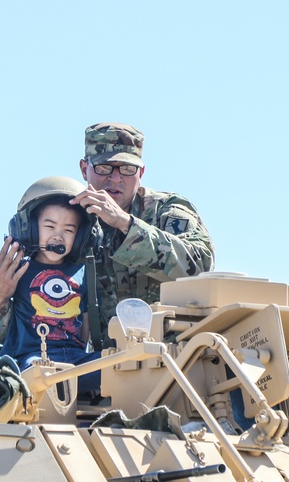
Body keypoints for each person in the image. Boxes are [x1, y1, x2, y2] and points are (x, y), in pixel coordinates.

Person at [72, 122, 215, 338]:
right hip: (106, 363)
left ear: (142, 172)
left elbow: (201, 266)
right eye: (104, 167)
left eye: (128, 169)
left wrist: (126, 224)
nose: (116, 178)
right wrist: (0, 300)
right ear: (84, 169)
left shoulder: (166, 209)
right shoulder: (70, 221)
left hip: (177, 355)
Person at [0, 177, 103, 392]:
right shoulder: (17, 270)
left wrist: (83, 352)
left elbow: (84, 317)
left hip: (74, 358)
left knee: (112, 368)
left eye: (69, 230)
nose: (58, 236)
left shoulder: (83, 272)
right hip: (31, 357)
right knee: (35, 376)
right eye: (50, 226)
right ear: (30, 228)